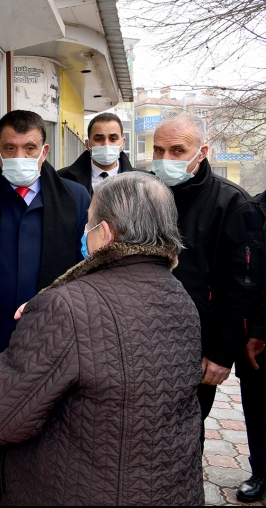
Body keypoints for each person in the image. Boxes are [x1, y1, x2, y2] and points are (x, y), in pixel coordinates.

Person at [0, 172, 204, 505]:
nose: (84, 232)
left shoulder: (65, 307)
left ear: (105, 233)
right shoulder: (180, 297)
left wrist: (33, 330)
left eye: (89, 221)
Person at [0, 110, 90, 426]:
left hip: (53, 337)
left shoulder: (74, 198)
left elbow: (88, 267)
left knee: (49, 426)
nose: (19, 156)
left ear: (44, 151)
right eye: (10, 148)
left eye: (29, 148)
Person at [151, 113, 265, 445]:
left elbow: (243, 286)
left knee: (185, 432)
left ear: (202, 152)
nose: (165, 159)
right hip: (142, 337)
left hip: (196, 347)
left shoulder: (233, 204)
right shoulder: (144, 191)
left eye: (177, 151)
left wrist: (219, 353)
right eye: (158, 150)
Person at [235, 190, 266, 502]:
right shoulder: (252, 207)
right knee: (257, 408)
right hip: (255, 334)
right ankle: (261, 472)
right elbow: (246, 274)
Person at [58, 112, 135, 194]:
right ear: (87, 144)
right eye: (98, 139)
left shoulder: (140, 182)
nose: (106, 144)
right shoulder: (62, 179)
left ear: (122, 143)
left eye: (113, 139)